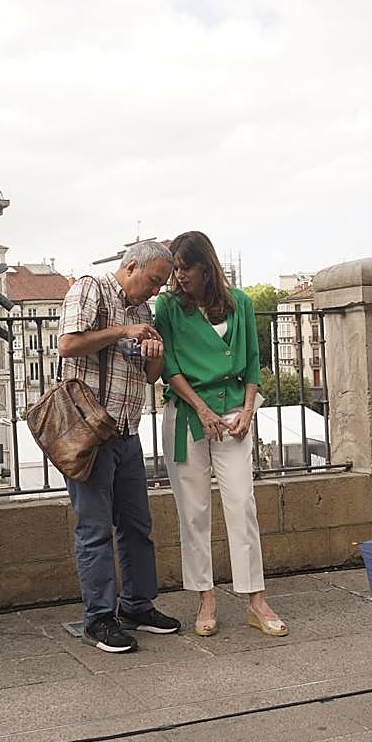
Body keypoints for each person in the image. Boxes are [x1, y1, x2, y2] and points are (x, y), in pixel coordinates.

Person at [154, 231, 287, 638]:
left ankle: (255, 599)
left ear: (204, 267)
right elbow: (169, 367)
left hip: (233, 416)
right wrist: (202, 409)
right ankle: (205, 597)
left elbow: (252, 362)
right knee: (193, 511)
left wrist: (247, 411)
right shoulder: (168, 306)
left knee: (241, 503)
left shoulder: (241, 303)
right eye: (174, 269)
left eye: (183, 268)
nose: (178, 276)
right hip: (189, 414)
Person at [56, 240, 182, 653]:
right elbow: (69, 344)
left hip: (127, 430)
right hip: (90, 432)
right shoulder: (92, 287)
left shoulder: (143, 311)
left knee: (137, 527)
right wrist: (123, 331)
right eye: (154, 280)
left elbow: (149, 377)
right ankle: (99, 619)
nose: (157, 291)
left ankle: (137, 606)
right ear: (130, 267)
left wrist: (154, 352)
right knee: (94, 530)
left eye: (162, 284)